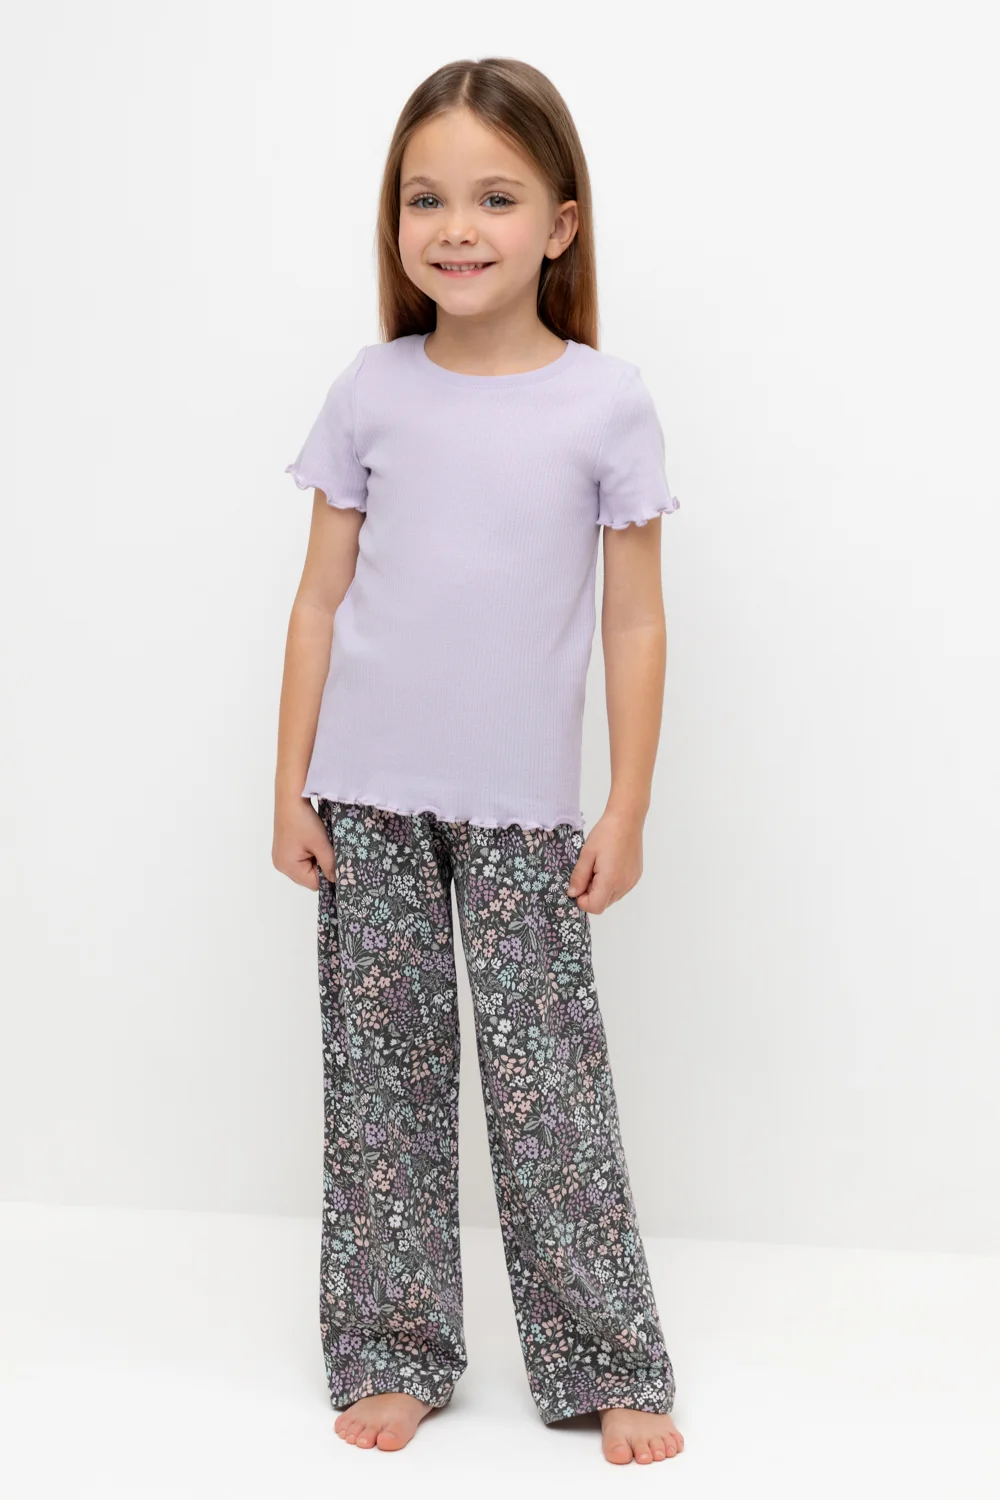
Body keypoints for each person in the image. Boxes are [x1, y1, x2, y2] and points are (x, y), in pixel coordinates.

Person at [273, 56, 686, 1468]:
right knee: (381, 1093)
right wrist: (290, 786)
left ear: (561, 224)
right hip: (366, 801)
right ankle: (395, 1351)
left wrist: (627, 803)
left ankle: (607, 1362)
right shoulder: (371, 390)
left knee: (548, 1093)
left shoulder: (606, 403)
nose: (457, 227)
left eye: (496, 198)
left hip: (526, 815)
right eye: (426, 198)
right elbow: (319, 600)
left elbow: (635, 619)